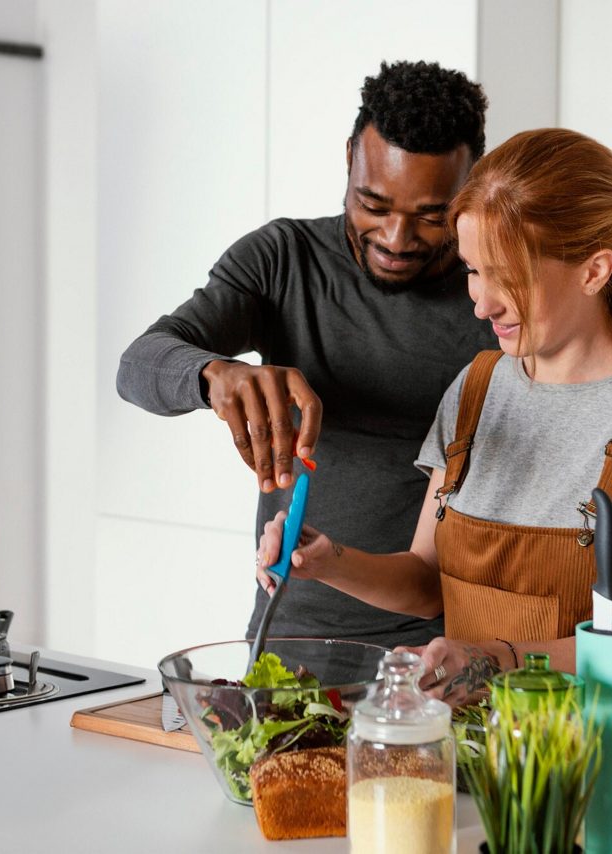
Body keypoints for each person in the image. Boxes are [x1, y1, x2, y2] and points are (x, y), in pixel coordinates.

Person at [256, 127, 612, 703]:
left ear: (595, 270)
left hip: (596, 768)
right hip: (478, 752)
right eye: (474, 271)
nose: (482, 302)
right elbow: (428, 581)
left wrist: (490, 663)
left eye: (508, 276)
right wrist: (328, 561)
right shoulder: (477, 388)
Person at [117, 61, 496, 649]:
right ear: (349, 158)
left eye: (430, 216)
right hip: (290, 638)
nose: (397, 239)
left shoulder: (495, 299)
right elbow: (138, 365)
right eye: (373, 204)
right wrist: (215, 374)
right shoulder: (284, 259)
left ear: (472, 186)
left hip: (443, 651)